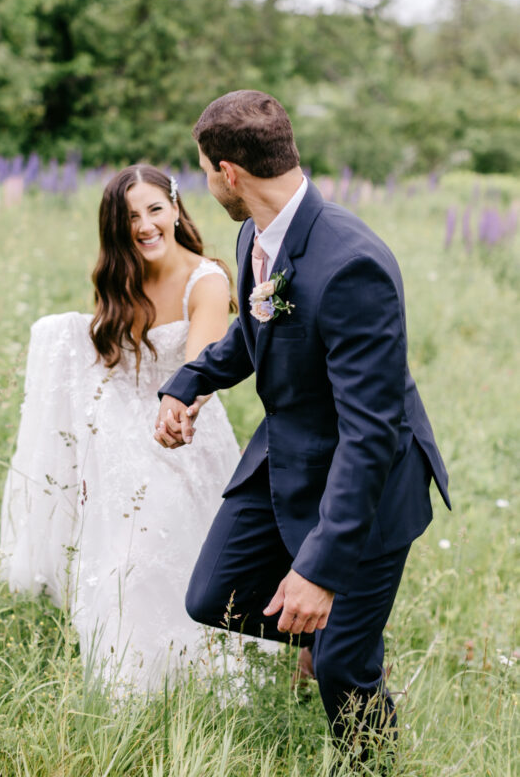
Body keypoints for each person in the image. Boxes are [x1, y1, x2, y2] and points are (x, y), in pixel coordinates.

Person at [155, 91, 450, 761]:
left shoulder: (350, 264)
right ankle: (343, 630)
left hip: (365, 482)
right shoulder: (254, 231)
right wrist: (189, 382)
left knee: (344, 670)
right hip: (287, 454)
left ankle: (373, 752)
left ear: (229, 172)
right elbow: (255, 330)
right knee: (212, 596)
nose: (205, 182)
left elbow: (371, 433)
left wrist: (317, 572)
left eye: (204, 170)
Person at [0, 164, 243, 690]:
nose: (146, 225)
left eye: (155, 209)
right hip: (119, 430)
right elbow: (109, 365)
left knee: (161, 544)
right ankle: (128, 685)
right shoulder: (121, 279)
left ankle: (197, 680)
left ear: (176, 210)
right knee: (119, 554)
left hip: (184, 429)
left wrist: (177, 413)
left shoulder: (208, 279)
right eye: (131, 216)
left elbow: (201, 369)